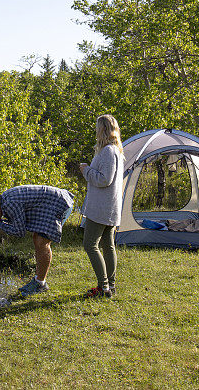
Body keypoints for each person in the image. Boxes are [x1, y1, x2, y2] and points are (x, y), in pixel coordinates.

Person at [0, 185, 74, 297]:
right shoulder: (4, 200)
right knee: (37, 239)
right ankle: (38, 281)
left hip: (59, 203)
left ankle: (40, 284)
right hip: (53, 202)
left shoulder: (10, 204)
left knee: (42, 242)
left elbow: (19, 232)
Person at [80, 114, 125, 298]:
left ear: (103, 129)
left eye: (98, 128)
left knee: (90, 244)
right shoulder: (117, 151)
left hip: (101, 208)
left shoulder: (108, 151)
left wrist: (86, 170)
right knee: (108, 246)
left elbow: (104, 179)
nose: (96, 131)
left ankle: (104, 287)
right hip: (110, 207)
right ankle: (110, 287)